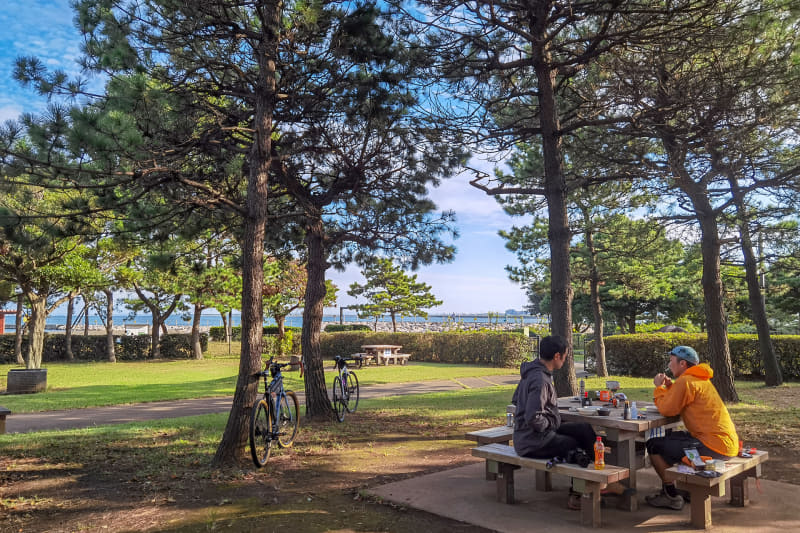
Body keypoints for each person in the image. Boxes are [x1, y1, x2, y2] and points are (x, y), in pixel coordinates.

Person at [645, 345, 739, 510]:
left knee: (654, 445)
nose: (669, 364)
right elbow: (681, 397)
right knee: (672, 439)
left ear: (682, 364)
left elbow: (667, 409)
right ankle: (684, 489)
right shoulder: (700, 379)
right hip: (726, 443)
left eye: (672, 360)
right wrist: (669, 387)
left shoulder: (686, 381)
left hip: (713, 447)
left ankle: (671, 495)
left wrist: (659, 388)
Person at [511, 335, 598, 510]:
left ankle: (595, 482)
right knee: (575, 445)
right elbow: (533, 417)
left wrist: (553, 417)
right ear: (557, 356)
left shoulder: (533, 373)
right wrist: (552, 423)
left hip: (534, 434)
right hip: (532, 441)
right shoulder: (540, 380)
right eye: (565, 356)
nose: (565, 360)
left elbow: (516, 401)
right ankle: (580, 494)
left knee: (584, 429)